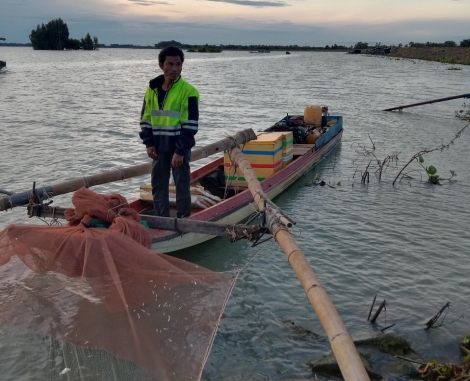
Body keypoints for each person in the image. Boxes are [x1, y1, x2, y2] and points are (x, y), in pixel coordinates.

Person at [139, 46, 199, 218]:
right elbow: (145, 119)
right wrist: (149, 143)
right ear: (161, 65)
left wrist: (180, 151)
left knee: (181, 186)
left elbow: (190, 126)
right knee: (158, 186)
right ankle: (161, 220)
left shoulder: (189, 92)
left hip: (179, 149)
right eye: (170, 64)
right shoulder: (151, 90)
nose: (174, 68)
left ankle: (183, 220)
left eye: (178, 64)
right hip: (158, 148)